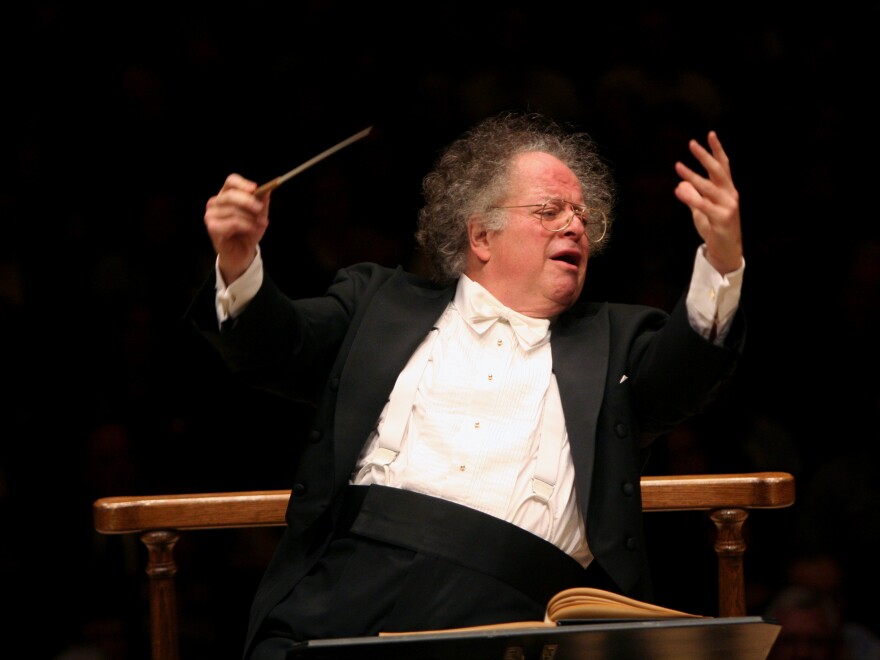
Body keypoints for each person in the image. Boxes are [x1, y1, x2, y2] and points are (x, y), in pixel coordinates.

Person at [187, 111, 745, 659]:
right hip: (346, 591)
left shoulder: (617, 342)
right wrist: (237, 261)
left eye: (582, 215)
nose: (575, 225)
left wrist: (722, 259)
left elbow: (686, 372)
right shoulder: (377, 303)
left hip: (511, 611)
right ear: (481, 234)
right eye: (549, 211)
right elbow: (273, 350)